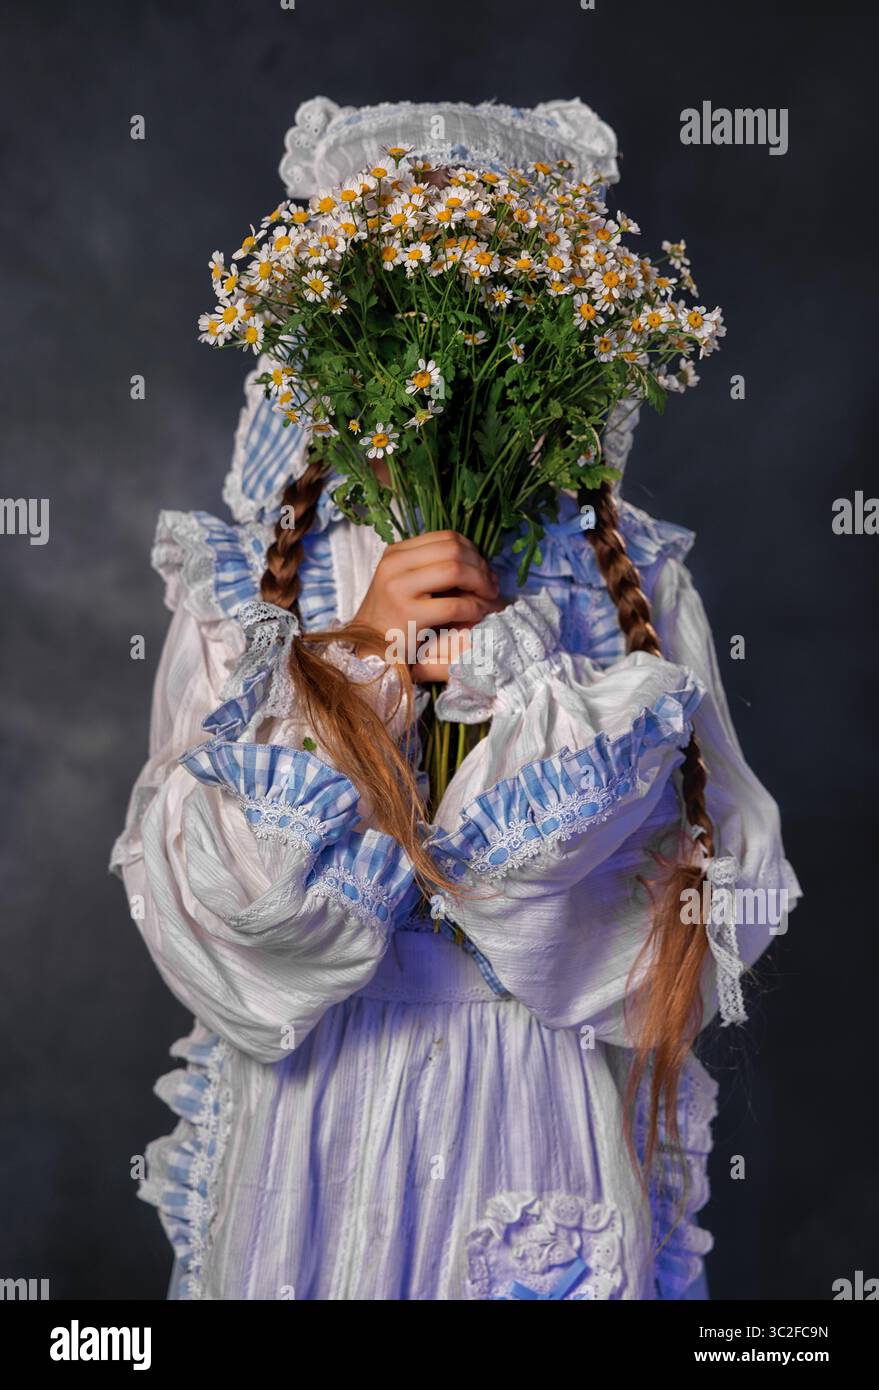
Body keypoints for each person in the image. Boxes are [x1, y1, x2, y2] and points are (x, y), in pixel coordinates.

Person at [110, 97, 800, 1301]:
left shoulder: (617, 582)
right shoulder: (252, 589)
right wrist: (357, 664)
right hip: (323, 1124)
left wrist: (527, 691)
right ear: (336, 339)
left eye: (509, 322)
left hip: (539, 1122)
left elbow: (709, 909)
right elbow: (210, 912)